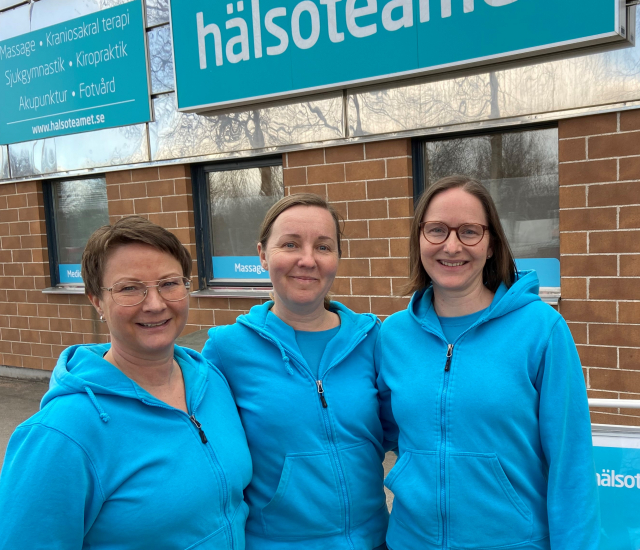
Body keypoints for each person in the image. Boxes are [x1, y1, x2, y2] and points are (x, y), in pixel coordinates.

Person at [0, 216, 252, 550]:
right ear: (96, 300)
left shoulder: (212, 381)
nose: (155, 304)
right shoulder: (61, 434)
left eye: (169, 283)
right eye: (129, 288)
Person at [377, 175, 599, 550]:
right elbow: (384, 433)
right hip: (410, 540)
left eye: (469, 231)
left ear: (491, 243)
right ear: (419, 239)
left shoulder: (541, 329)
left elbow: (571, 463)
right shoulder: (393, 335)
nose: (451, 246)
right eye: (436, 230)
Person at [202, 193, 390, 550]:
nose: (307, 260)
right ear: (262, 255)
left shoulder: (372, 339)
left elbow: (397, 429)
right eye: (290, 244)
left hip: (375, 539)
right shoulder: (226, 350)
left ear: (337, 257)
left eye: (323, 247)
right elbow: (213, 458)